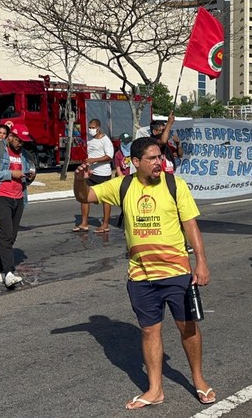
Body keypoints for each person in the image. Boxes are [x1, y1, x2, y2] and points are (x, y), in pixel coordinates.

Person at [74, 137, 215, 409]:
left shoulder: (175, 185)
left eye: (159, 157)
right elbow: (85, 196)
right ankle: (155, 390)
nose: (158, 162)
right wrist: (80, 179)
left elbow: (191, 226)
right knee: (150, 332)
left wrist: (201, 262)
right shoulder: (123, 185)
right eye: (151, 158)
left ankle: (198, 379)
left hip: (176, 273)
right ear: (135, 162)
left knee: (187, 328)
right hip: (141, 276)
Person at [0, 126, 36, 289]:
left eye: (24, 142)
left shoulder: (23, 153)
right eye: (19, 140)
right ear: (11, 136)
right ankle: (9, 272)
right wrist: (9, 174)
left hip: (18, 197)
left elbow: (24, 172)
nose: (21, 144)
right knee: (5, 233)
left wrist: (29, 175)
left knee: (10, 235)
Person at [74, 119, 114, 235]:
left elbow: (109, 156)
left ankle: (105, 224)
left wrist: (94, 160)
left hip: (103, 174)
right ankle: (84, 223)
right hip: (91, 173)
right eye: (89, 127)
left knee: (106, 199)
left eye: (93, 127)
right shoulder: (90, 140)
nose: (91, 130)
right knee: (84, 197)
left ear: (98, 127)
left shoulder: (105, 140)